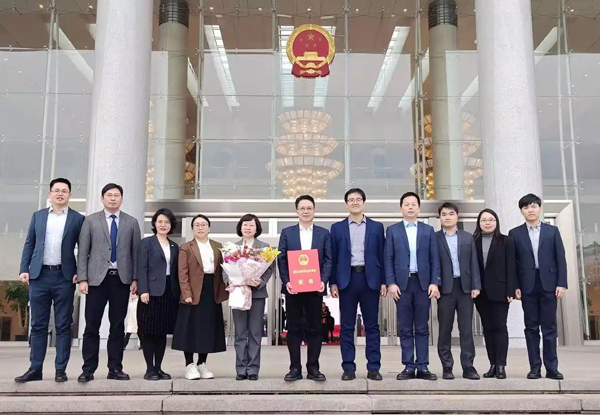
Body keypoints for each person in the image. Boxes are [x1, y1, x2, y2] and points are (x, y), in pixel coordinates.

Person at [15, 178, 84, 383]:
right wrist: (24, 268)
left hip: (65, 277)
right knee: (38, 325)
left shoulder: (77, 219)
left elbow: (83, 249)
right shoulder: (38, 216)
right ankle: (35, 369)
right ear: (50, 194)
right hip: (39, 276)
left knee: (63, 325)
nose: (60, 194)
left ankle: (60, 370)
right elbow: (29, 244)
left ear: (70, 195)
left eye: (64, 191)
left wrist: (80, 272)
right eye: (56, 190)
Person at [77, 183, 141, 383]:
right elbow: (83, 252)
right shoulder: (90, 221)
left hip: (121, 280)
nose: (113, 198)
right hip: (96, 281)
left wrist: (135, 279)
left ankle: (115, 368)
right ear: (102, 198)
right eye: (109, 195)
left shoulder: (131, 222)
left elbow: (136, 254)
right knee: (91, 325)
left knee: (117, 326)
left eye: (117, 195)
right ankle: (88, 369)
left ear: (122, 198)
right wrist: (82, 278)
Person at [509, 194, 567, 380]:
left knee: (549, 327)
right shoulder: (515, 233)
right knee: (531, 327)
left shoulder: (552, 231)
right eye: (526, 207)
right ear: (521, 211)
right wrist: (515, 286)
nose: (530, 210)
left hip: (549, 284)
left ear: (539, 208)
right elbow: (512, 263)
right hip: (527, 285)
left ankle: (552, 368)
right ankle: (535, 367)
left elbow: (560, 258)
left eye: (533, 206)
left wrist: (561, 283)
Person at [330, 188, 386, 381]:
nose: (355, 202)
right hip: (347, 280)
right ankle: (348, 368)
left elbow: (382, 255)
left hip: (370, 280)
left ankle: (374, 368)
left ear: (364, 203)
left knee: (372, 326)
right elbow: (333, 257)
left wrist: (384, 281)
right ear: (346, 204)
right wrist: (333, 282)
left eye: (358, 199)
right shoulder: (337, 228)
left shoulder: (377, 227)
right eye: (351, 200)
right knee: (346, 326)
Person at [385, 191, 440, 381]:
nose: (410, 207)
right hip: (402, 285)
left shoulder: (428, 230)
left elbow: (434, 258)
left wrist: (434, 282)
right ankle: (408, 366)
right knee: (406, 327)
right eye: (406, 204)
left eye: (413, 204)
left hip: (423, 283)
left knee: (422, 327)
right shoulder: (393, 230)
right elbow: (388, 258)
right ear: (401, 208)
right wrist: (391, 282)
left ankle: (423, 365)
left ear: (419, 208)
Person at [277, 194, 332, 382]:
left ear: (314, 211)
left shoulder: (323, 233)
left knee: (315, 328)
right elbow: (282, 259)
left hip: (315, 288)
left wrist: (323, 280)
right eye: (302, 208)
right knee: (293, 327)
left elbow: (328, 260)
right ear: (297, 211)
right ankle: (295, 368)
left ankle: (313, 368)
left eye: (309, 208)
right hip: (293, 288)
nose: (306, 211)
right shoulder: (287, 232)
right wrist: (286, 281)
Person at [172, 214, 228, 380]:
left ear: (209, 228)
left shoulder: (218, 246)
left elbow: (224, 269)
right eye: (197, 225)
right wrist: (186, 293)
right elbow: (182, 272)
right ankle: (189, 364)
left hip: (212, 290)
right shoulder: (186, 247)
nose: (200, 227)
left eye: (204, 224)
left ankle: (202, 363)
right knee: (190, 328)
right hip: (193, 290)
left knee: (207, 328)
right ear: (192, 229)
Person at [435, 202, 481, 380]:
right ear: (440, 218)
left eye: (451, 214)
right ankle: (447, 366)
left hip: (465, 288)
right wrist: (434, 284)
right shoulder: (434, 238)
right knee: (444, 329)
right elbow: (432, 263)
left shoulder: (467, 237)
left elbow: (474, 262)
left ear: (457, 216)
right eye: (444, 214)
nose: (447, 217)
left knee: (466, 329)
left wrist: (476, 285)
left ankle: (468, 366)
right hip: (445, 289)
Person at [227, 213, 273, 381]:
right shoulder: (232, 248)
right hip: (238, 293)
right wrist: (232, 281)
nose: (248, 228)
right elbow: (225, 269)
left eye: (251, 225)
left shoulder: (264, 247)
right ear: (240, 227)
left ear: (256, 228)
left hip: (257, 294)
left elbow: (269, 269)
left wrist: (260, 282)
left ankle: (253, 369)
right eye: (245, 225)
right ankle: (241, 369)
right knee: (240, 332)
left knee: (255, 332)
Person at [137, 208, 180, 381]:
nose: (163, 225)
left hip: (169, 291)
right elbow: (141, 267)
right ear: (154, 223)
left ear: (171, 225)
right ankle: (149, 369)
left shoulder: (174, 246)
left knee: (161, 332)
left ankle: (159, 367)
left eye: (167, 222)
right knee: (148, 331)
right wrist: (143, 290)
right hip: (151, 292)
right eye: (160, 221)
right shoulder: (147, 243)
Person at [473, 208, 516, 379]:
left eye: (491, 219)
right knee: (487, 328)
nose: (487, 222)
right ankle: (492, 364)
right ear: (479, 223)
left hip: (500, 290)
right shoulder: (473, 241)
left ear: (496, 222)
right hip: (480, 292)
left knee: (500, 326)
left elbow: (511, 266)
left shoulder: (506, 241)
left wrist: (511, 289)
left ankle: (501, 365)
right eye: (484, 220)